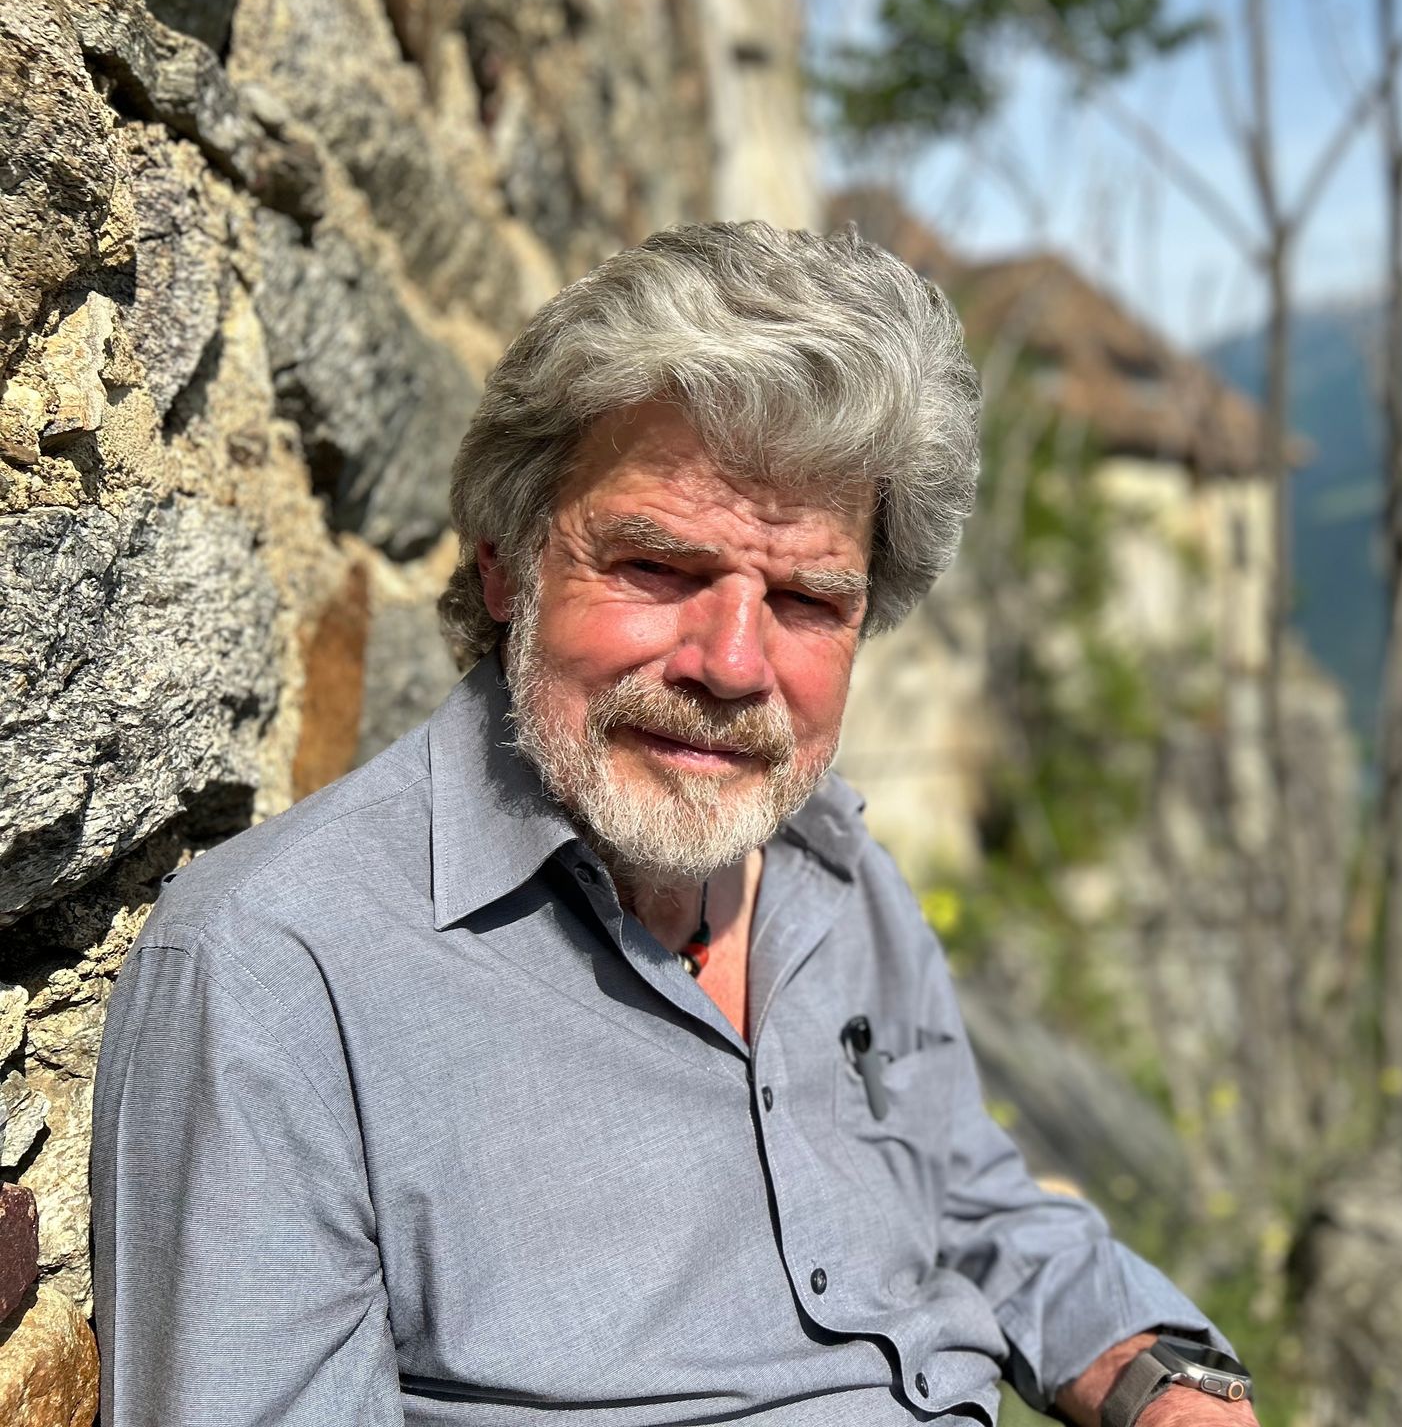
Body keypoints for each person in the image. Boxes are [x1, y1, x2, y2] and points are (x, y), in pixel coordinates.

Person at [91, 223, 1259, 1426]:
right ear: (506, 567)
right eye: (656, 566)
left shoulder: (834, 872)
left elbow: (960, 1195)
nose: (733, 664)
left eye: (807, 599)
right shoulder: (278, 972)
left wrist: (1154, 1373)